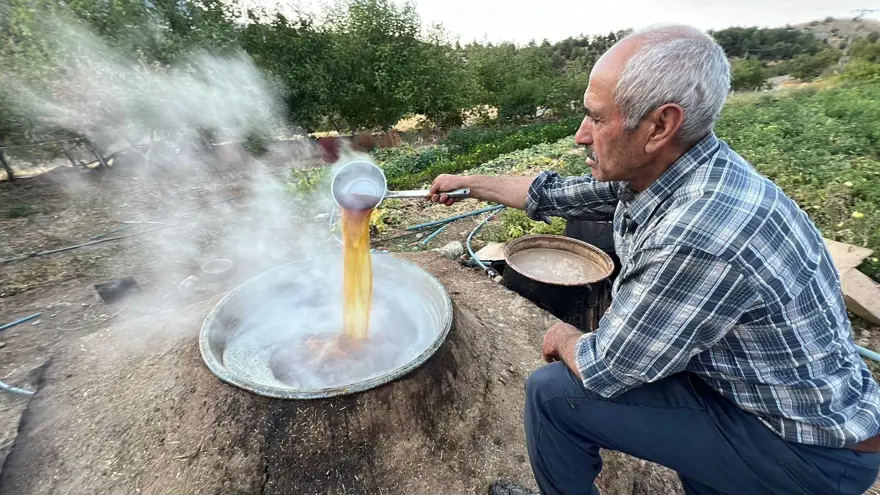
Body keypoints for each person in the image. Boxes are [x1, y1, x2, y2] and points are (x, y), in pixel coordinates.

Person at [427, 25, 880, 495]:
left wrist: (563, 337)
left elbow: (608, 367)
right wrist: (469, 181)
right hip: (763, 401)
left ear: (659, 126)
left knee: (553, 394)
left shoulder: (699, 232)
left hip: (804, 451)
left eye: (595, 119)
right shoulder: (676, 168)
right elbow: (553, 194)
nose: (581, 135)